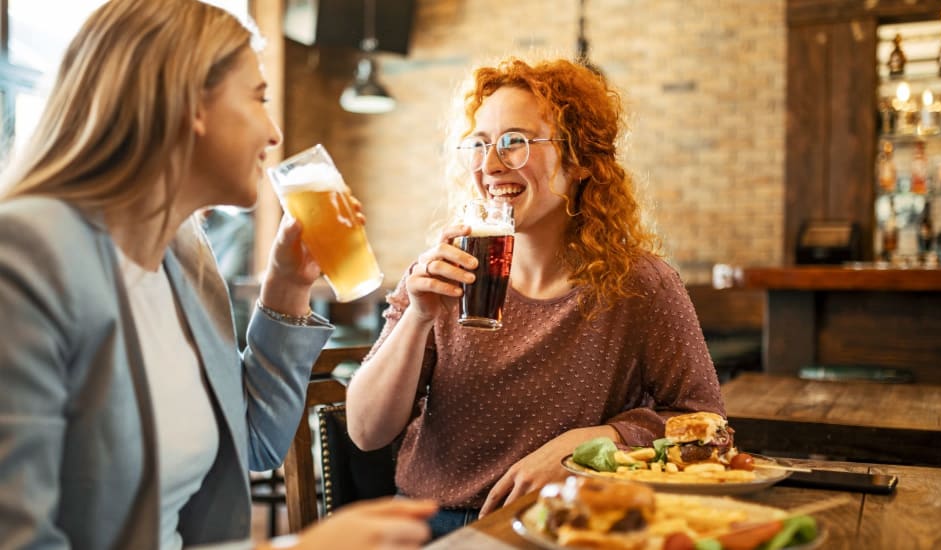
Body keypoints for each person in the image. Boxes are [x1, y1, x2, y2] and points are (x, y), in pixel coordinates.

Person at [0, 1, 434, 549]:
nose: (274, 133)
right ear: (189, 105)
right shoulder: (25, 256)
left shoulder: (184, 251)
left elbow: (255, 441)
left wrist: (287, 288)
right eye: (258, 97)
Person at [345, 56, 725, 538]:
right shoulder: (443, 269)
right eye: (480, 145)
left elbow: (707, 423)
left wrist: (591, 446)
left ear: (582, 159)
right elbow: (365, 431)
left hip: (564, 528)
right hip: (429, 525)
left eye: (515, 143)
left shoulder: (641, 285)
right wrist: (417, 317)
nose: (490, 165)